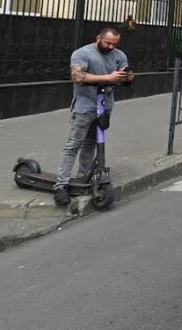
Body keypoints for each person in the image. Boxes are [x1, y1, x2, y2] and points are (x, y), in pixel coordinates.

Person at [56, 27, 132, 205]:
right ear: (98, 38)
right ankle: (61, 185)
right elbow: (78, 76)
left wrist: (127, 77)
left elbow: (125, 76)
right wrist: (108, 78)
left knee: (91, 144)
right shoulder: (83, 53)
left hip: (104, 107)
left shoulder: (119, 55)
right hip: (85, 107)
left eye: (115, 44)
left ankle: (82, 178)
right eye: (108, 43)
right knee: (73, 144)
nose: (111, 47)